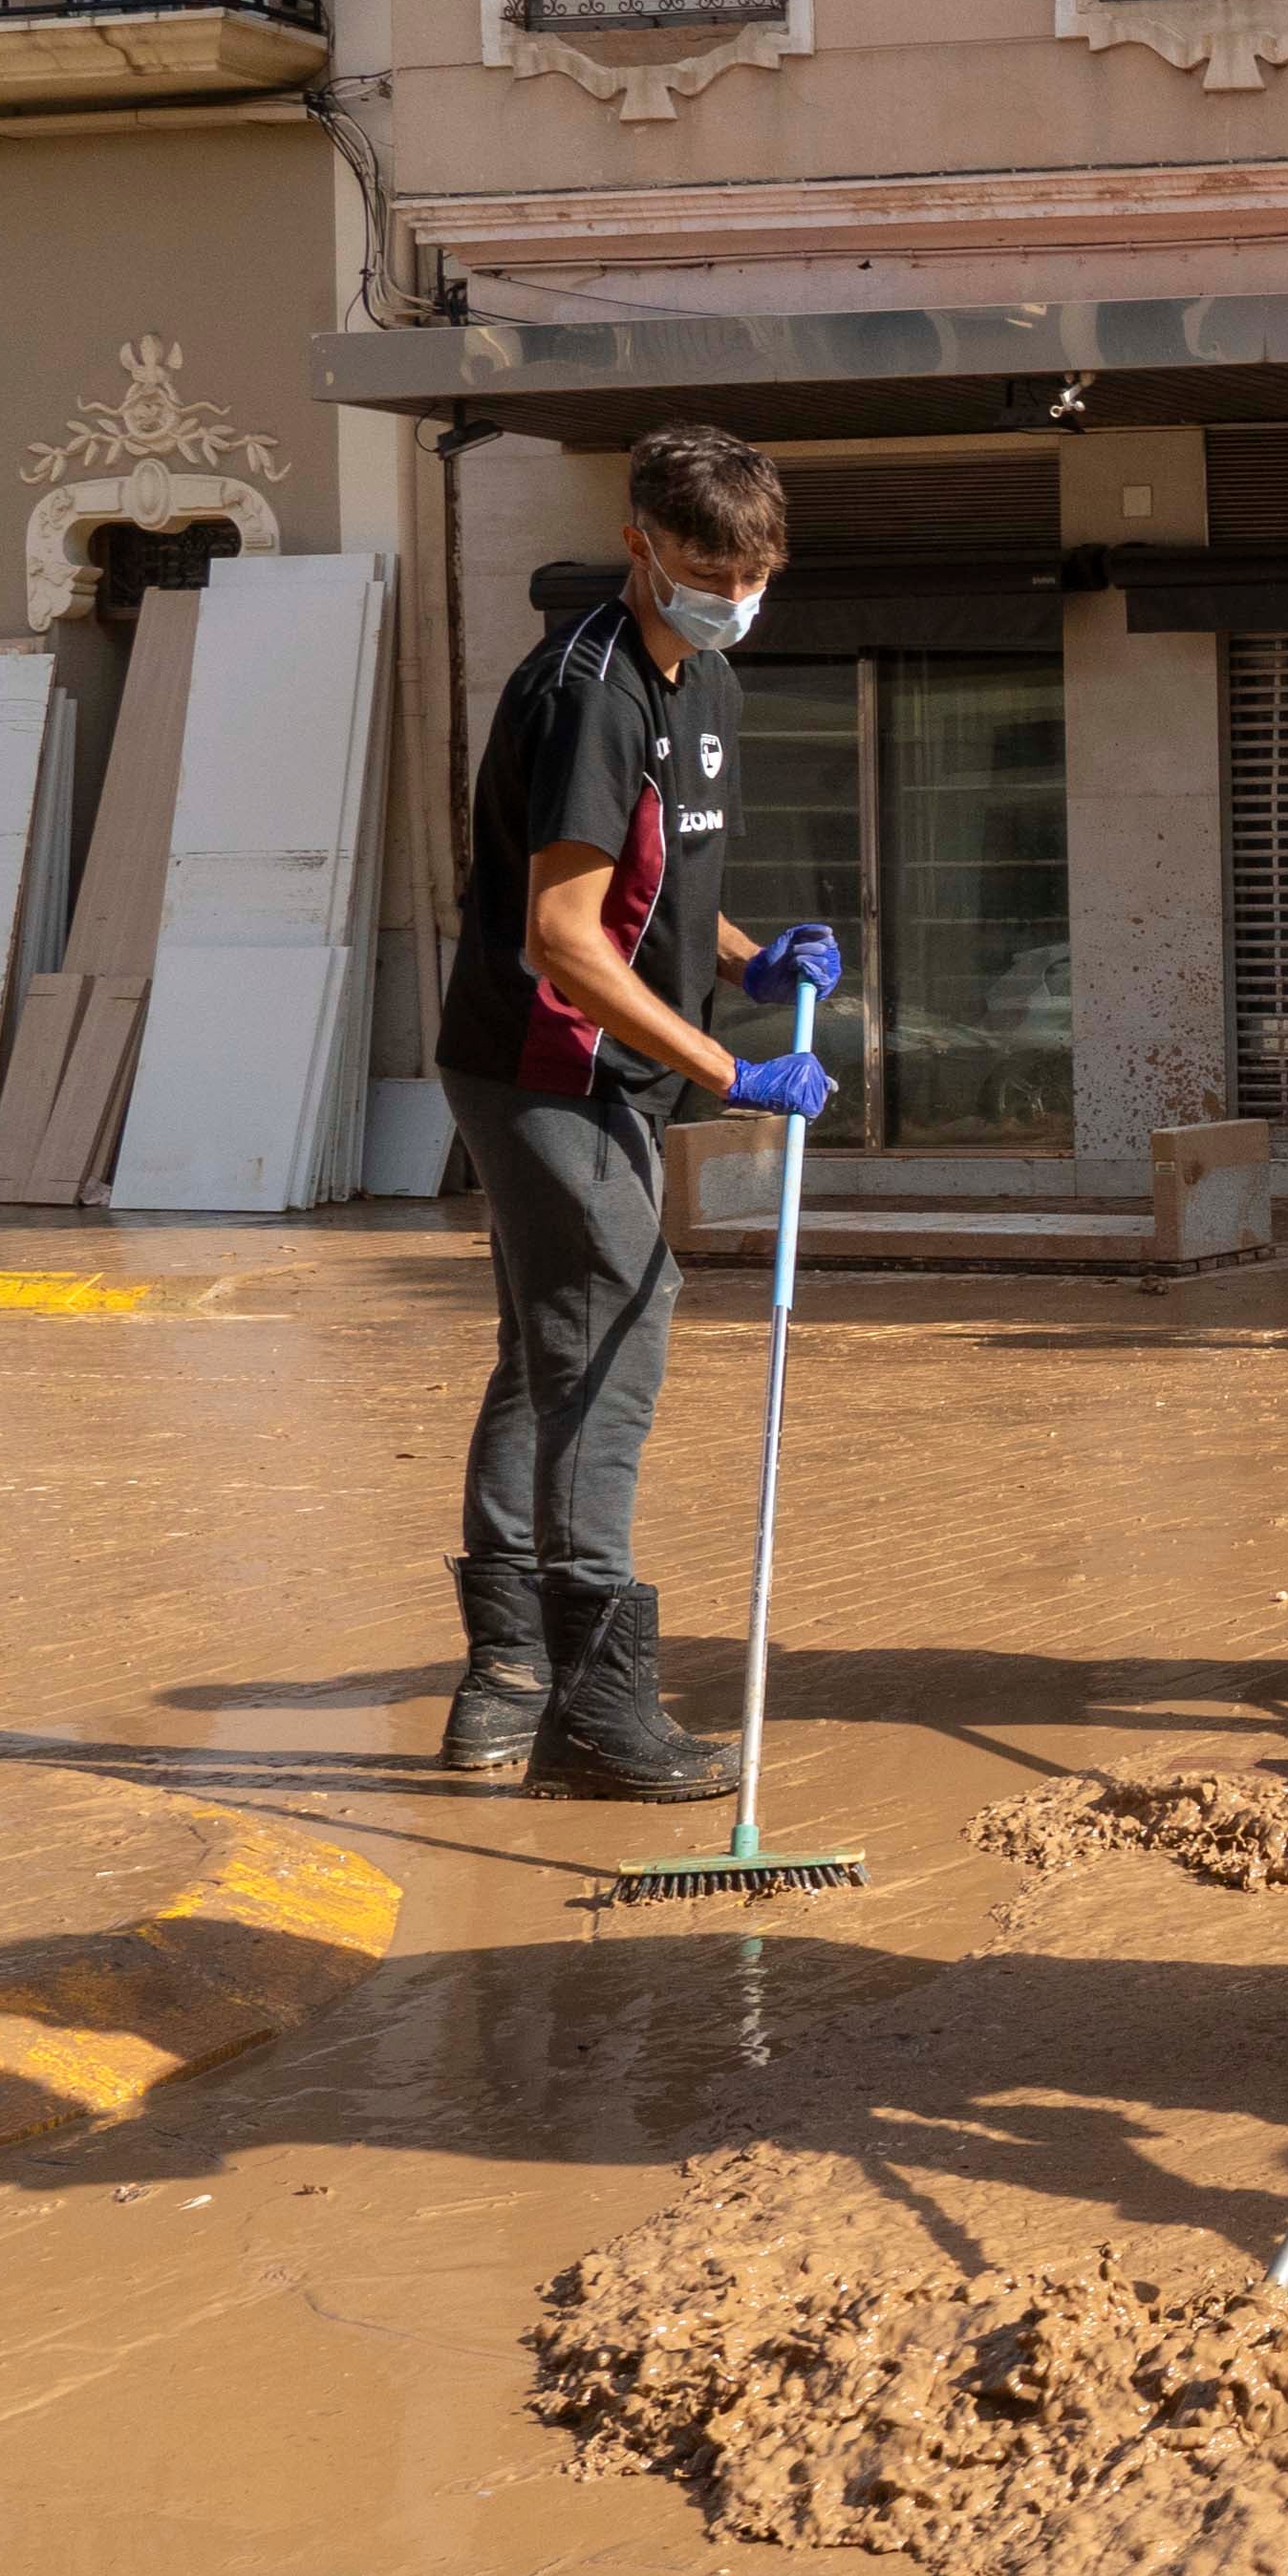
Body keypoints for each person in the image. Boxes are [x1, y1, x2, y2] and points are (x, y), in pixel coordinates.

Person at [428, 423, 838, 1804]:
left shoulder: (703, 678)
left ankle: (506, 1678)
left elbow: (650, 887)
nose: (735, 592)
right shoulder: (588, 693)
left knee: (545, 1342)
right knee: (615, 1323)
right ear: (642, 545)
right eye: (711, 566)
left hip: (612, 1070)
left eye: (755, 569)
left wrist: (747, 958)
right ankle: (595, 1701)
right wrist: (733, 1075)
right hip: (543, 1066)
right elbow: (562, 937)